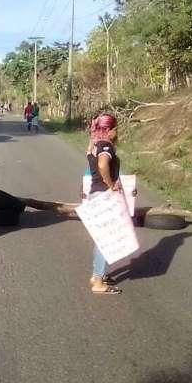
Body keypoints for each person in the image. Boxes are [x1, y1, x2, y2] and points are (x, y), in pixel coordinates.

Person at [86, 113, 125, 295]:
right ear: (108, 130)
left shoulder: (93, 144)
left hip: (95, 194)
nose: (118, 132)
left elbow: (91, 159)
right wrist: (111, 186)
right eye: (116, 128)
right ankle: (99, 283)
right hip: (103, 195)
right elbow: (102, 165)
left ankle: (96, 275)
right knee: (105, 241)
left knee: (99, 239)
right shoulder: (106, 146)